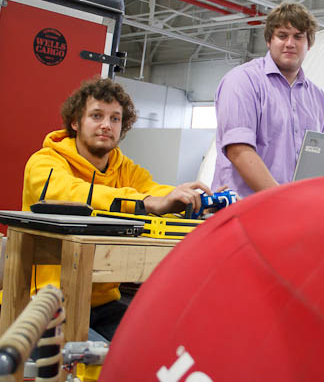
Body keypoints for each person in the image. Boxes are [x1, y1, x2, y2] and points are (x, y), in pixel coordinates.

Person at [18, 77, 214, 341]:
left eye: (115, 119)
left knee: (157, 348)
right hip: (44, 302)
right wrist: (144, 203)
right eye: (96, 116)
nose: (106, 126)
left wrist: (184, 198)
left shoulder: (124, 168)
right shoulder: (44, 163)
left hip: (103, 303)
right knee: (97, 365)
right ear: (75, 122)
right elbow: (71, 194)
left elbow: (151, 189)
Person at [212, 2, 324, 198]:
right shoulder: (242, 81)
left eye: (298, 37)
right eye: (282, 36)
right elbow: (239, 151)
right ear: (269, 41)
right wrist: (282, 200)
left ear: (309, 44)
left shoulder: (318, 98)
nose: (290, 44)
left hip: (295, 211)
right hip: (245, 210)